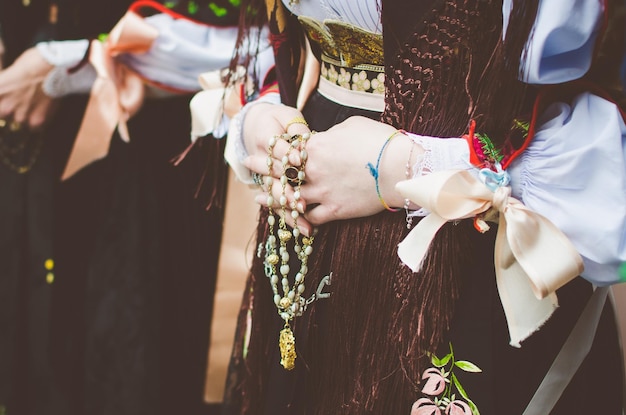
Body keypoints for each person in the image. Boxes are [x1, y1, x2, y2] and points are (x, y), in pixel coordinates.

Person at [220, 0, 626, 414]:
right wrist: (262, 116)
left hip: (461, 238)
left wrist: (412, 168)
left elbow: (599, 82)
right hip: (310, 217)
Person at [0, 1, 265, 413]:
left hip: (161, 159)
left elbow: (256, 33)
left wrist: (73, 61)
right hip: (41, 153)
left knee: (135, 345)